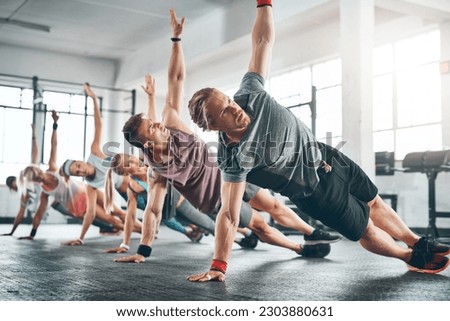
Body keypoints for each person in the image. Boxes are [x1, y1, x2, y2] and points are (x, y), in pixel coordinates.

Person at [187, 0, 450, 281]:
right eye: (225, 109)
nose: (234, 107)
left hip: (327, 156)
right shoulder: (233, 158)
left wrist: (264, 3)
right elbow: (228, 214)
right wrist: (219, 265)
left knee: (375, 203)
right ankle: (409, 258)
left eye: (228, 99)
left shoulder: (250, 92)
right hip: (314, 191)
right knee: (365, 229)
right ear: (212, 124)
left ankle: (417, 242)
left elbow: (262, 41)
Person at [118, 8, 339, 264]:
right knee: (259, 225)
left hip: (232, 172)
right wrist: (143, 250)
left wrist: (176, 40)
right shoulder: (157, 171)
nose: (158, 125)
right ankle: (299, 248)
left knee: (274, 206)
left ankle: (312, 232)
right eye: (151, 129)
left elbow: (176, 79)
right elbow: (154, 211)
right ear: (145, 143)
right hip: (215, 199)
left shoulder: (171, 122)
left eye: (153, 122)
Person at [16, 111, 125, 240]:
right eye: (38, 177)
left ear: (39, 170)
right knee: (109, 219)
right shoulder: (45, 192)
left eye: (39, 172)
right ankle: (134, 231)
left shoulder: (52, 168)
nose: (41, 176)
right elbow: (39, 214)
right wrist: (32, 234)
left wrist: (55, 125)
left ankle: (137, 228)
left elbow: (54, 146)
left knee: (116, 210)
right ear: (35, 181)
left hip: (86, 190)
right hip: (80, 205)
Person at [61, 84, 141, 245]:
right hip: (125, 188)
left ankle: (152, 230)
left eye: (77, 166)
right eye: (76, 173)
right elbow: (90, 213)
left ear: (80, 161)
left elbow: (98, 126)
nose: (80, 171)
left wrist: (94, 100)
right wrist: (80, 238)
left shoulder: (95, 153)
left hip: (134, 174)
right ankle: (146, 231)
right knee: (122, 214)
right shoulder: (90, 186)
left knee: (162, 209)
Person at [2, 124, 45, 236]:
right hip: (46, 204)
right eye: (13, 188)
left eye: (15, 185)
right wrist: (11, 232)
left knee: (76, 213)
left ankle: (98, 224)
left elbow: (34, 155)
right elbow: (20, 215)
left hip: (53, 197)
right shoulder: (23, 195)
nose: (15, 188)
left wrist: (34, 135)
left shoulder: (28, 178)